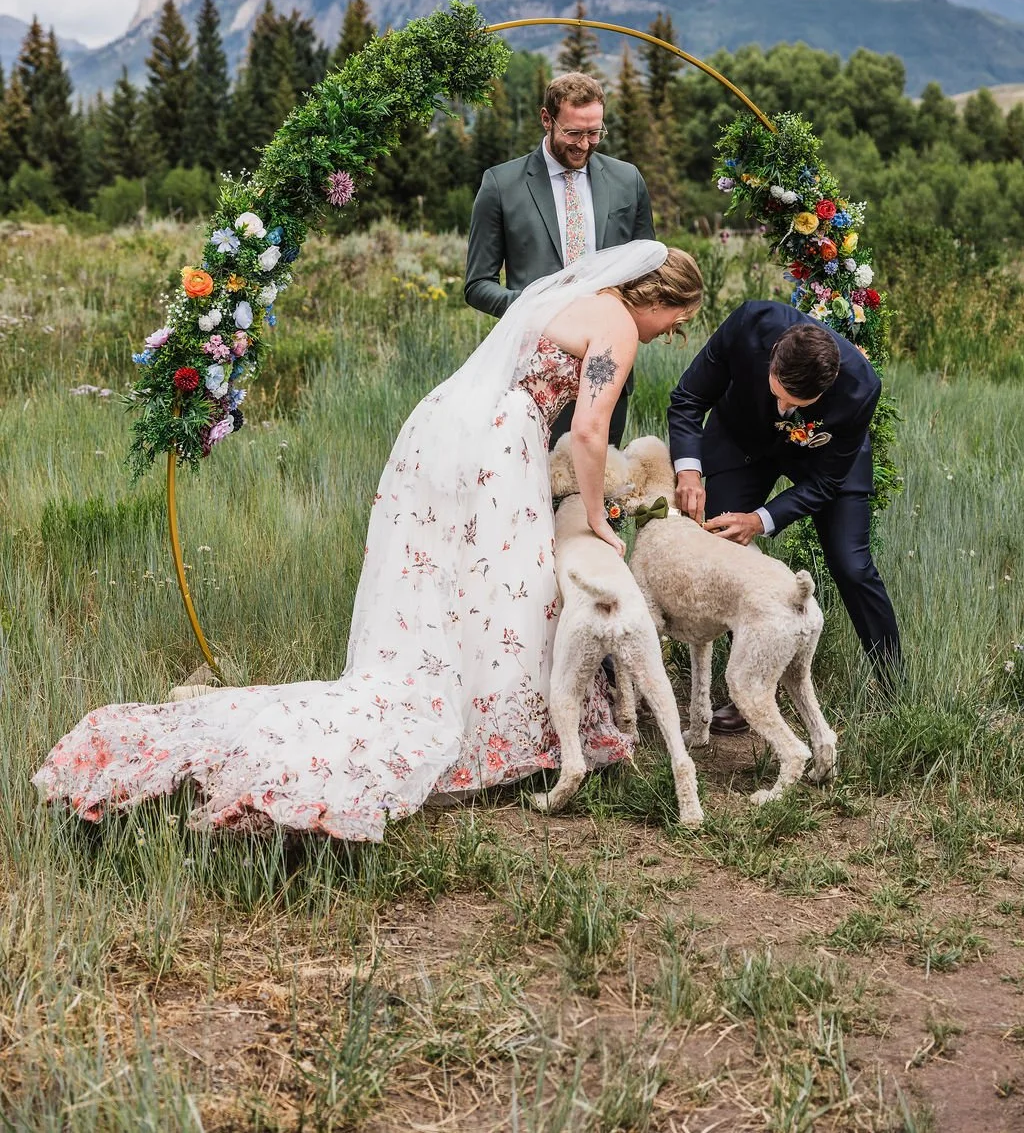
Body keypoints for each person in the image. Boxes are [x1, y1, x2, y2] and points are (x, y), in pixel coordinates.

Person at [35, 242, 703, 841]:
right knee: (511, 588)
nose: (674, 330)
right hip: (495, 443)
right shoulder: (615, 320)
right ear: (661, 297)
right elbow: (589, 431)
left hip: (446, 423)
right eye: (679, 317)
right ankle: (504, 740)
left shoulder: (569, 295)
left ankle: (501, 728)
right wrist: (597, 517)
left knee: (456, 589)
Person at [668, 300, 900, 734]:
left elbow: (827, 483)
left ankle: (893, 689)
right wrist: (688, 469)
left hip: (824, 462)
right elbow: (688, 398)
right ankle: (749, 690)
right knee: (717, 540)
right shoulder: (749, 324)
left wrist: (761, 519)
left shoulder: (861, 387)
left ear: (827, 387)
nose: (784, 411)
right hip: (742, 438)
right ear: (772, 356)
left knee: (852, 565)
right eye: (779, 395)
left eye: (797, 404)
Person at [465, 71, 656, 446]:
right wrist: (539, 309)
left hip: (606, 367)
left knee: (597, 489)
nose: (585, 144)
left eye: (594, 133)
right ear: (546, 119)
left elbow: (647, 274)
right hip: (532, 370)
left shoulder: (627, 181)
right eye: (573, 133)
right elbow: (477, 286)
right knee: (533, 489)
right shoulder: (501, 185)